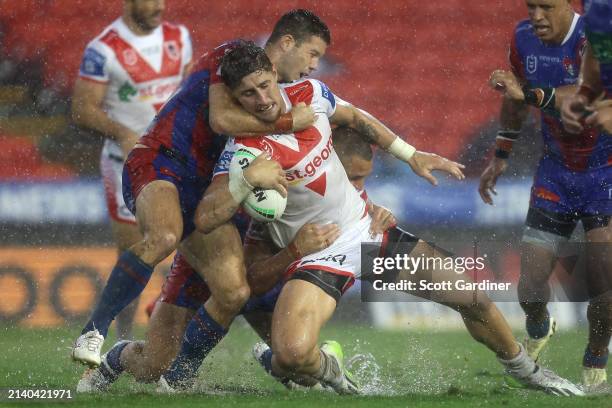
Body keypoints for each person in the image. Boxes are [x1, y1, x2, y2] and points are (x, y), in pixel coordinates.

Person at [189, 42, 583, 396]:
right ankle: (332, 371)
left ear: (274, 74)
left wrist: (410, 154)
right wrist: (244, 185)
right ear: (235, 99)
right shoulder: (242, 153)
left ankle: (528, 371)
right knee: (292, 356)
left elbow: (358, 119)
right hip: (318, 256)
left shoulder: (309, 95)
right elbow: (206, 217)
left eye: (263, 85)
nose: (260, 99)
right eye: (247, 94)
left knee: (473, 298)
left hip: (368, 234)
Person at [480, 0, 611, 393]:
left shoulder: (596, 36)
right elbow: (514, 101)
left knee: (603, 286)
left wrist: (529, 94)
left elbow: (582, 95)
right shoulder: (522, 38)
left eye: (546, 7)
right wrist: (502, 153)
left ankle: (595, 363)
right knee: (530, 286)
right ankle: (540, 326)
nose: (536, 15)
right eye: (531, 5)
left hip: (604, 175)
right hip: (555, 173)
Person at [71, 0, 193, 340]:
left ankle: (177, 333)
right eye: (150, 0)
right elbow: (82, 110)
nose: (159, 6)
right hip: (126, 166)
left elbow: (188, 94)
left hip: (176, 160)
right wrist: (124, 132)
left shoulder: (179, 38)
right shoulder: (103, 50)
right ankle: (121, 337)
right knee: (136, 253)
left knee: (195, 242)